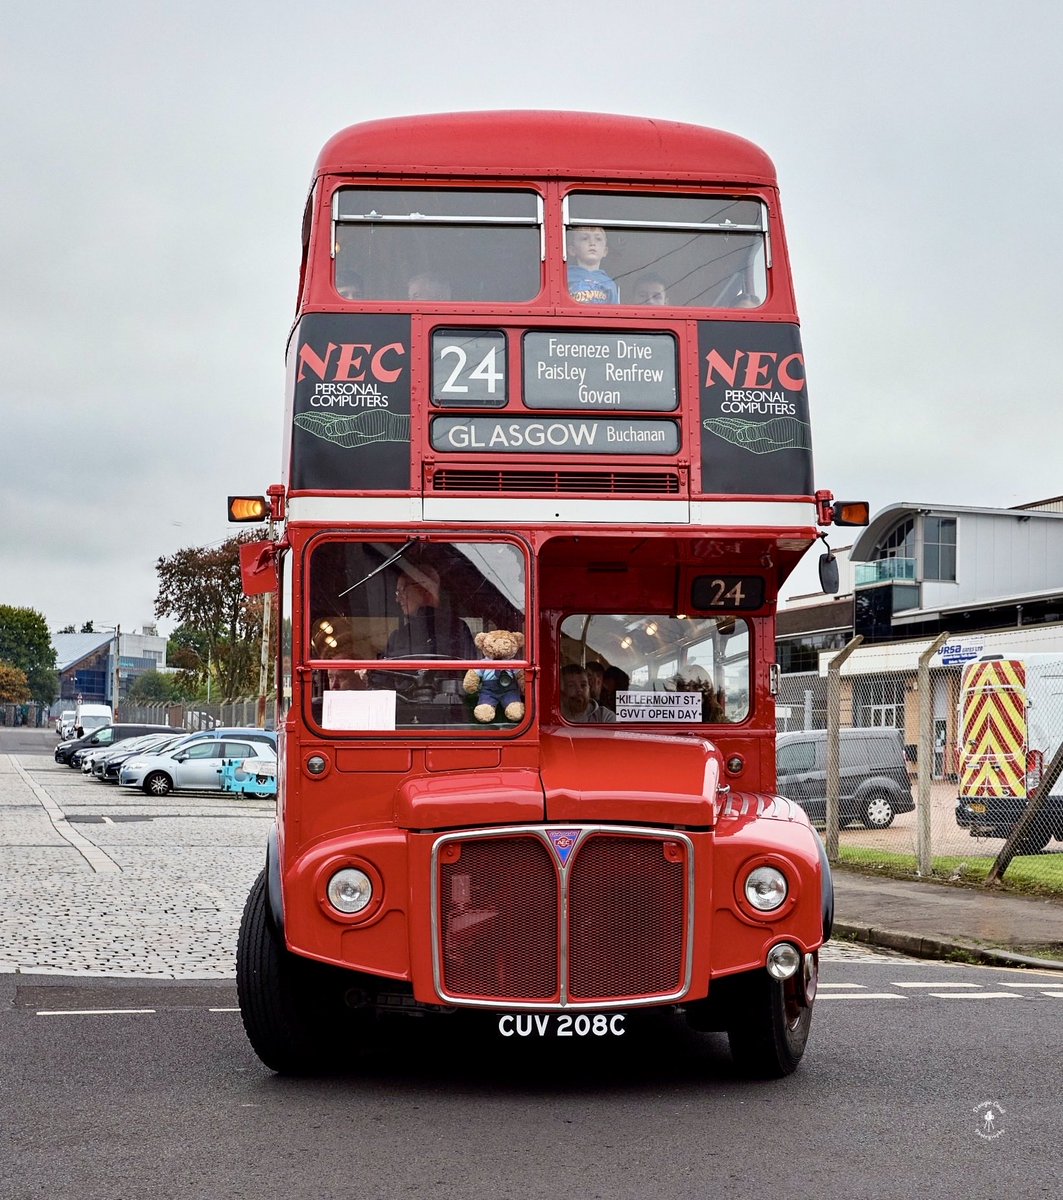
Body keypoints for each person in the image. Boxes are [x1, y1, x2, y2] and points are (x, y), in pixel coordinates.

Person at [385, 563, 474, 659]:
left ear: (424, 589)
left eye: (402, 591)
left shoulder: (457, 629)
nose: (397, 599)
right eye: (397, 593)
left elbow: (470, 671)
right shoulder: (397, 637)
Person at [566, 226, 619, 304]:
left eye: (598, 239)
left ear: (605, 251)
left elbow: (614, 311)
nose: (592, 243)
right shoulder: (566, 277)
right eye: (585, 238)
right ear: (572, 250)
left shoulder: (609, 283)